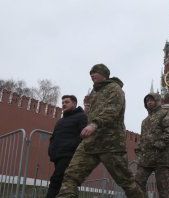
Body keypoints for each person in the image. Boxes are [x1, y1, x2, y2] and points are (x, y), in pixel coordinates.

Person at [56, 64, 145, 198]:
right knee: (71, 176)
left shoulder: (115, 89)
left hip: (110, 144)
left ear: (104, 74)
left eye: (95, 72)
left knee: (126, 181)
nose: (92, 75)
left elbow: (112, 110)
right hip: (90, 144)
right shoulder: (97, 94)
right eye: (90, 73)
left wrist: (94, 125)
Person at [135, 93, 169, 198]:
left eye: (151, 100)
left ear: (157, 101)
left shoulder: (165, 114)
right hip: (145, 160)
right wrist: (139, 151)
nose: (149, 102)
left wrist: (157, 145)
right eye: (147, 101)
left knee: (163, 189)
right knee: (137, 183)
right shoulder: (145, 121)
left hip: (161, 159)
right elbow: (143, 138)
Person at [46, 95, 87, 198]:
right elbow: (54, 137)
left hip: (69, 155)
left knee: (56, 180)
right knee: (65, 184)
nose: (64, 104)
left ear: (74, 103)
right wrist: (51, 150)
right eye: (63, 102)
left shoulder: (81, 116)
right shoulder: (61, 121)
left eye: (67, 102)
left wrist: (72, 146)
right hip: (58, 156)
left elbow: (84, 135)